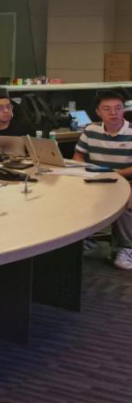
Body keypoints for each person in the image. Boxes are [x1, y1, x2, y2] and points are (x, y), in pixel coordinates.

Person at [72, 91, 132, 270]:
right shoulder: (91, 130)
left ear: (124, 110)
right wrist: (82, 168)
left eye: (118, 108)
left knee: (125, 203)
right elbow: (78, 155)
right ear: (98, 112)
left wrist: (118, 174)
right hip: (96, 180)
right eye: (107, 109)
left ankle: (127, 248)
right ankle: (84, 239)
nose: (113, 113)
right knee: (68, 196)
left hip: (126, 182)